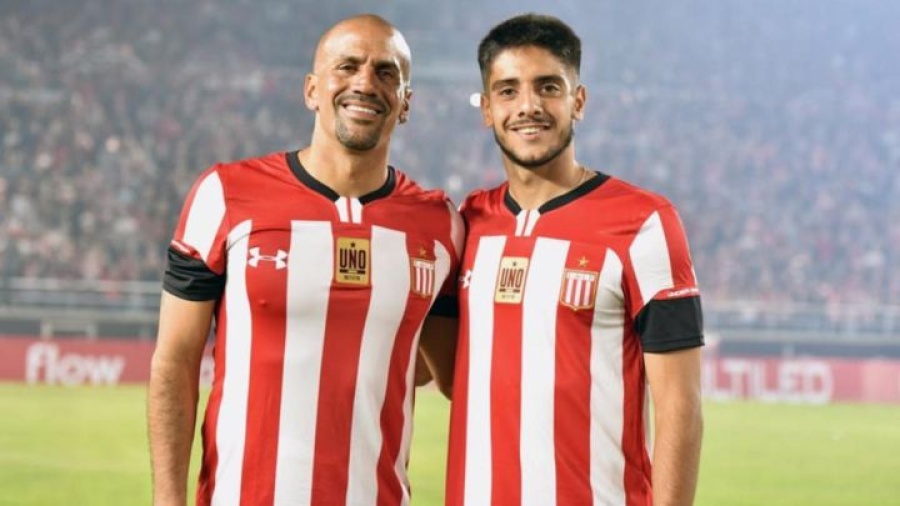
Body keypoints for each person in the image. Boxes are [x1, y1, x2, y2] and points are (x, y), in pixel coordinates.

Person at [147, 14, 462, 506]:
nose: (365, 83)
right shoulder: (225, 195)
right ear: (312, 90)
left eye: (386, 72)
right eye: (348, 66)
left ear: (405, 104)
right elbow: (175, 362)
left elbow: (445, 371)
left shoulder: (440, 224)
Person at [444, 14, 704, 506]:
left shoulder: (644, 223)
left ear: (578, 101)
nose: (528, 106)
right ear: (487, 110)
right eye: (508, 91)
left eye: (548, 87)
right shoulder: (468, 222)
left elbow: (680, 407)